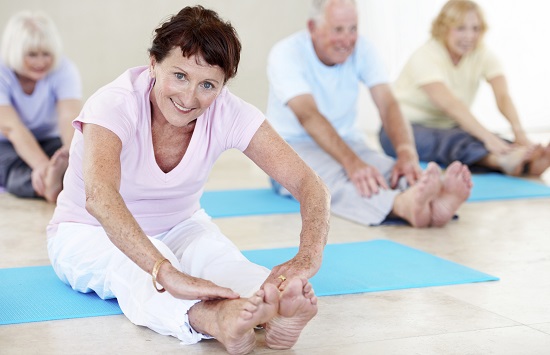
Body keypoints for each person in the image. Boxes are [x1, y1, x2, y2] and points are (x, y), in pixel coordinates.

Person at [47, 6, 329, 354]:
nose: (189, 97)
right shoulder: (113, 104)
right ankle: (219, 319)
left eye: (207, 84)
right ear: (153, 63)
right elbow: (99, 196)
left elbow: (309, 182)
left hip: (181, 223)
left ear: (222, 86)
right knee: (138, 269)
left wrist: (308, 257)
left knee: (219, 259)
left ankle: (278, 309)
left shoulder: (227, 110)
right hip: (87, 230)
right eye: (179, 76)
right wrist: (164, 271)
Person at [266, 0, 472, 228]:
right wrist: (352, 163)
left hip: (346, 140)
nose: (347, 39)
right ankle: (403, 205)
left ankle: (433, 205)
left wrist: (406, 154)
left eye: (352, 29)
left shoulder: (363, 48)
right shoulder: (286, 53)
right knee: (331, 180)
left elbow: (388, 103)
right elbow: (308, 115)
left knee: (387, 169)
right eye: (338, 30)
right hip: (291, 147)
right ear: (313, 27)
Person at [380, 0, 550, 176]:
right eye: (460, 28)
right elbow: (451, 105)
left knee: (492, 140)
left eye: (475, 28)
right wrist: (488, 138)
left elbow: (503, 96)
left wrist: (518, 133)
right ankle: (503, 161)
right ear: (443, 28)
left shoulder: (482, 53)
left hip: (448, 126)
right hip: (400, 129)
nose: (469, 36)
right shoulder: (426, 56)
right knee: (457, 140)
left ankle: (524, 162)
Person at [0, 11, 82, 202]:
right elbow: (12, 128)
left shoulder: (64, 69)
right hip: (5, 143)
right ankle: (53, 184)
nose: (40, 62)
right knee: (15, 172)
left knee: (69, 158)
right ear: (15, 52)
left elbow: (69, 116)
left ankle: (62, 181)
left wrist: (71, 154)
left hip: (47, 138)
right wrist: (43, 167)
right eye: (32, 55)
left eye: (46, 54)